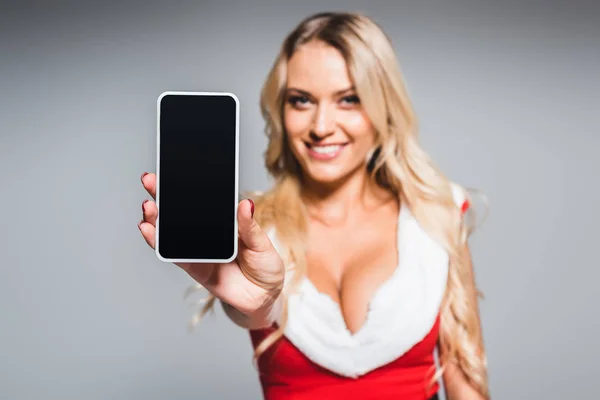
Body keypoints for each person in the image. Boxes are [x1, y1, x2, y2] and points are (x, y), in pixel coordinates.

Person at [139, 11, 489, 400]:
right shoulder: (254, 230)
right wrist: (255, 304)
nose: (322, 125)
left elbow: (465, 385)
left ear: (383, 106)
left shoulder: (435, 217)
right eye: (301, 100)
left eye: (349, 99)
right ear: (281, 110)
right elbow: (251, 307)